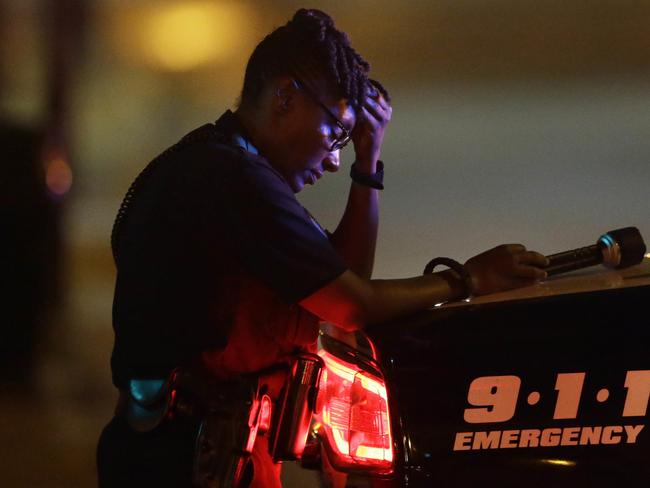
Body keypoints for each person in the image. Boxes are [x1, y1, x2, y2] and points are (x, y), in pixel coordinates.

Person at [97, 8, 549, 488]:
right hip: (179, 463)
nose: (335, 158)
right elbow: (353, 304)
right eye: (335, 133)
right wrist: (468, 279)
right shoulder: (232, 180)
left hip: (199, 455)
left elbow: (339, 277)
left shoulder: (230, 169)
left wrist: (367, 161)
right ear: (286, 97)